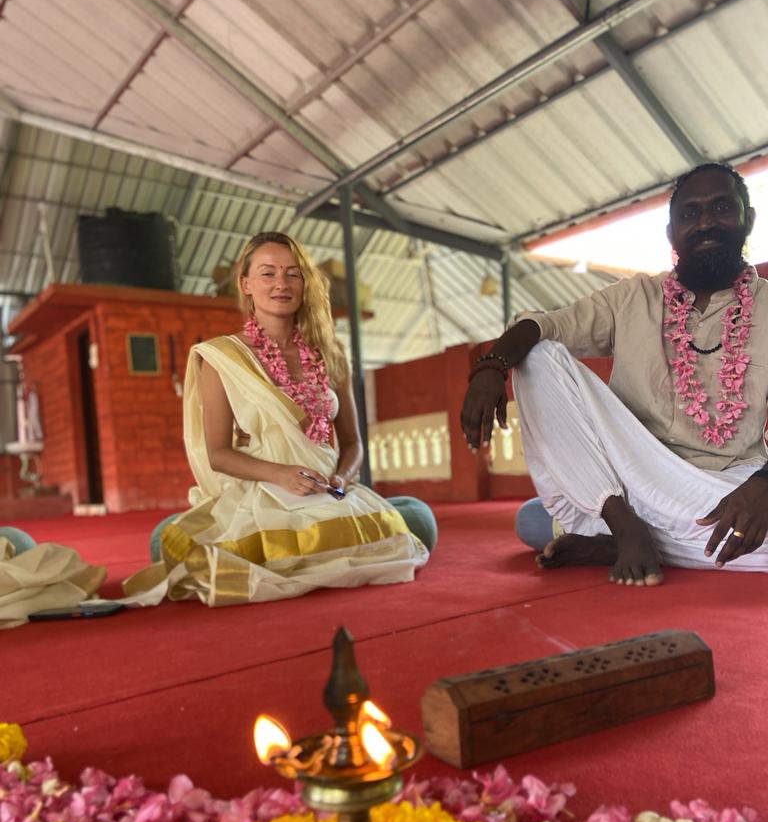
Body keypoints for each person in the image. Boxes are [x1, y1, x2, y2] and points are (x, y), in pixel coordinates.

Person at [461, 162, 768, 586]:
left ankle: (626, 542)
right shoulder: (631, 298)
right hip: (625, 483)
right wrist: (491, 366)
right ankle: (625, 529)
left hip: (725, 489)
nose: (705, 224)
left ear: (747, 219)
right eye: (689, 214)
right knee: (539, 355)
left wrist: (764, 485)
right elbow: (545, 327)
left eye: (721, 208)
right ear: (671, 232)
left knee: (533, 525)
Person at [124, 232, 431, 607]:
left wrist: (341, 480)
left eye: (292, 273)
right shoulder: (223, 358)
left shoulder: (330, 353)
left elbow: (352, 443)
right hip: (265, 489)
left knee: (405, 528)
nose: (281, 284)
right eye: (268, 274)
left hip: (329, 490)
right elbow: (218, 453)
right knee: (175, 544)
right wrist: (280, 474)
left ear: (305, 283)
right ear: (246, 284)